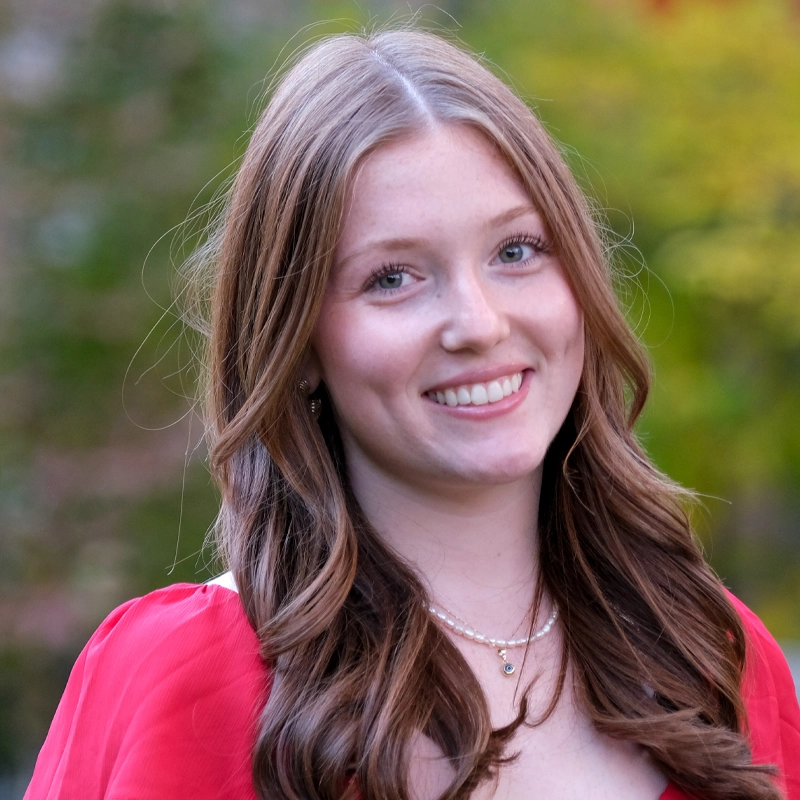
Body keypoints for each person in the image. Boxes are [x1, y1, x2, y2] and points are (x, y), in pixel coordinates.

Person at [25, 28, 800, 800]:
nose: (479, 323)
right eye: (392, 277)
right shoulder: (184, 681)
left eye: (517, 251)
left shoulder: (716, 658)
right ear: (295, 348)